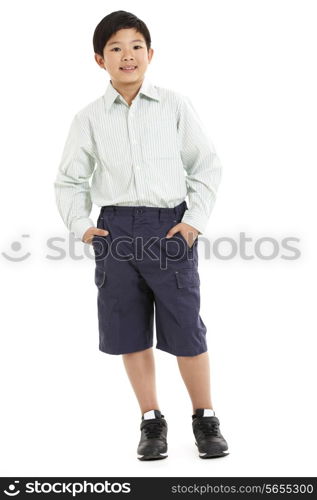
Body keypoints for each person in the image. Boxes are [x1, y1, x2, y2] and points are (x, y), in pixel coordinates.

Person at [54, 10, 229, 460]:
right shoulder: (89, 118)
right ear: (99, 59)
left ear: (150, 54)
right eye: (115, 48)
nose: (126, 55)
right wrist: (83, 228)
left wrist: (192, 223)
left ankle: (204, 417)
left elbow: (205, 164)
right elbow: (70, 180)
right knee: (129, 329)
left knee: (186, 326)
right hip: (115, 230)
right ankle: (151, 420)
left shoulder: (174, 105)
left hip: (169, 226)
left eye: (135, 46)